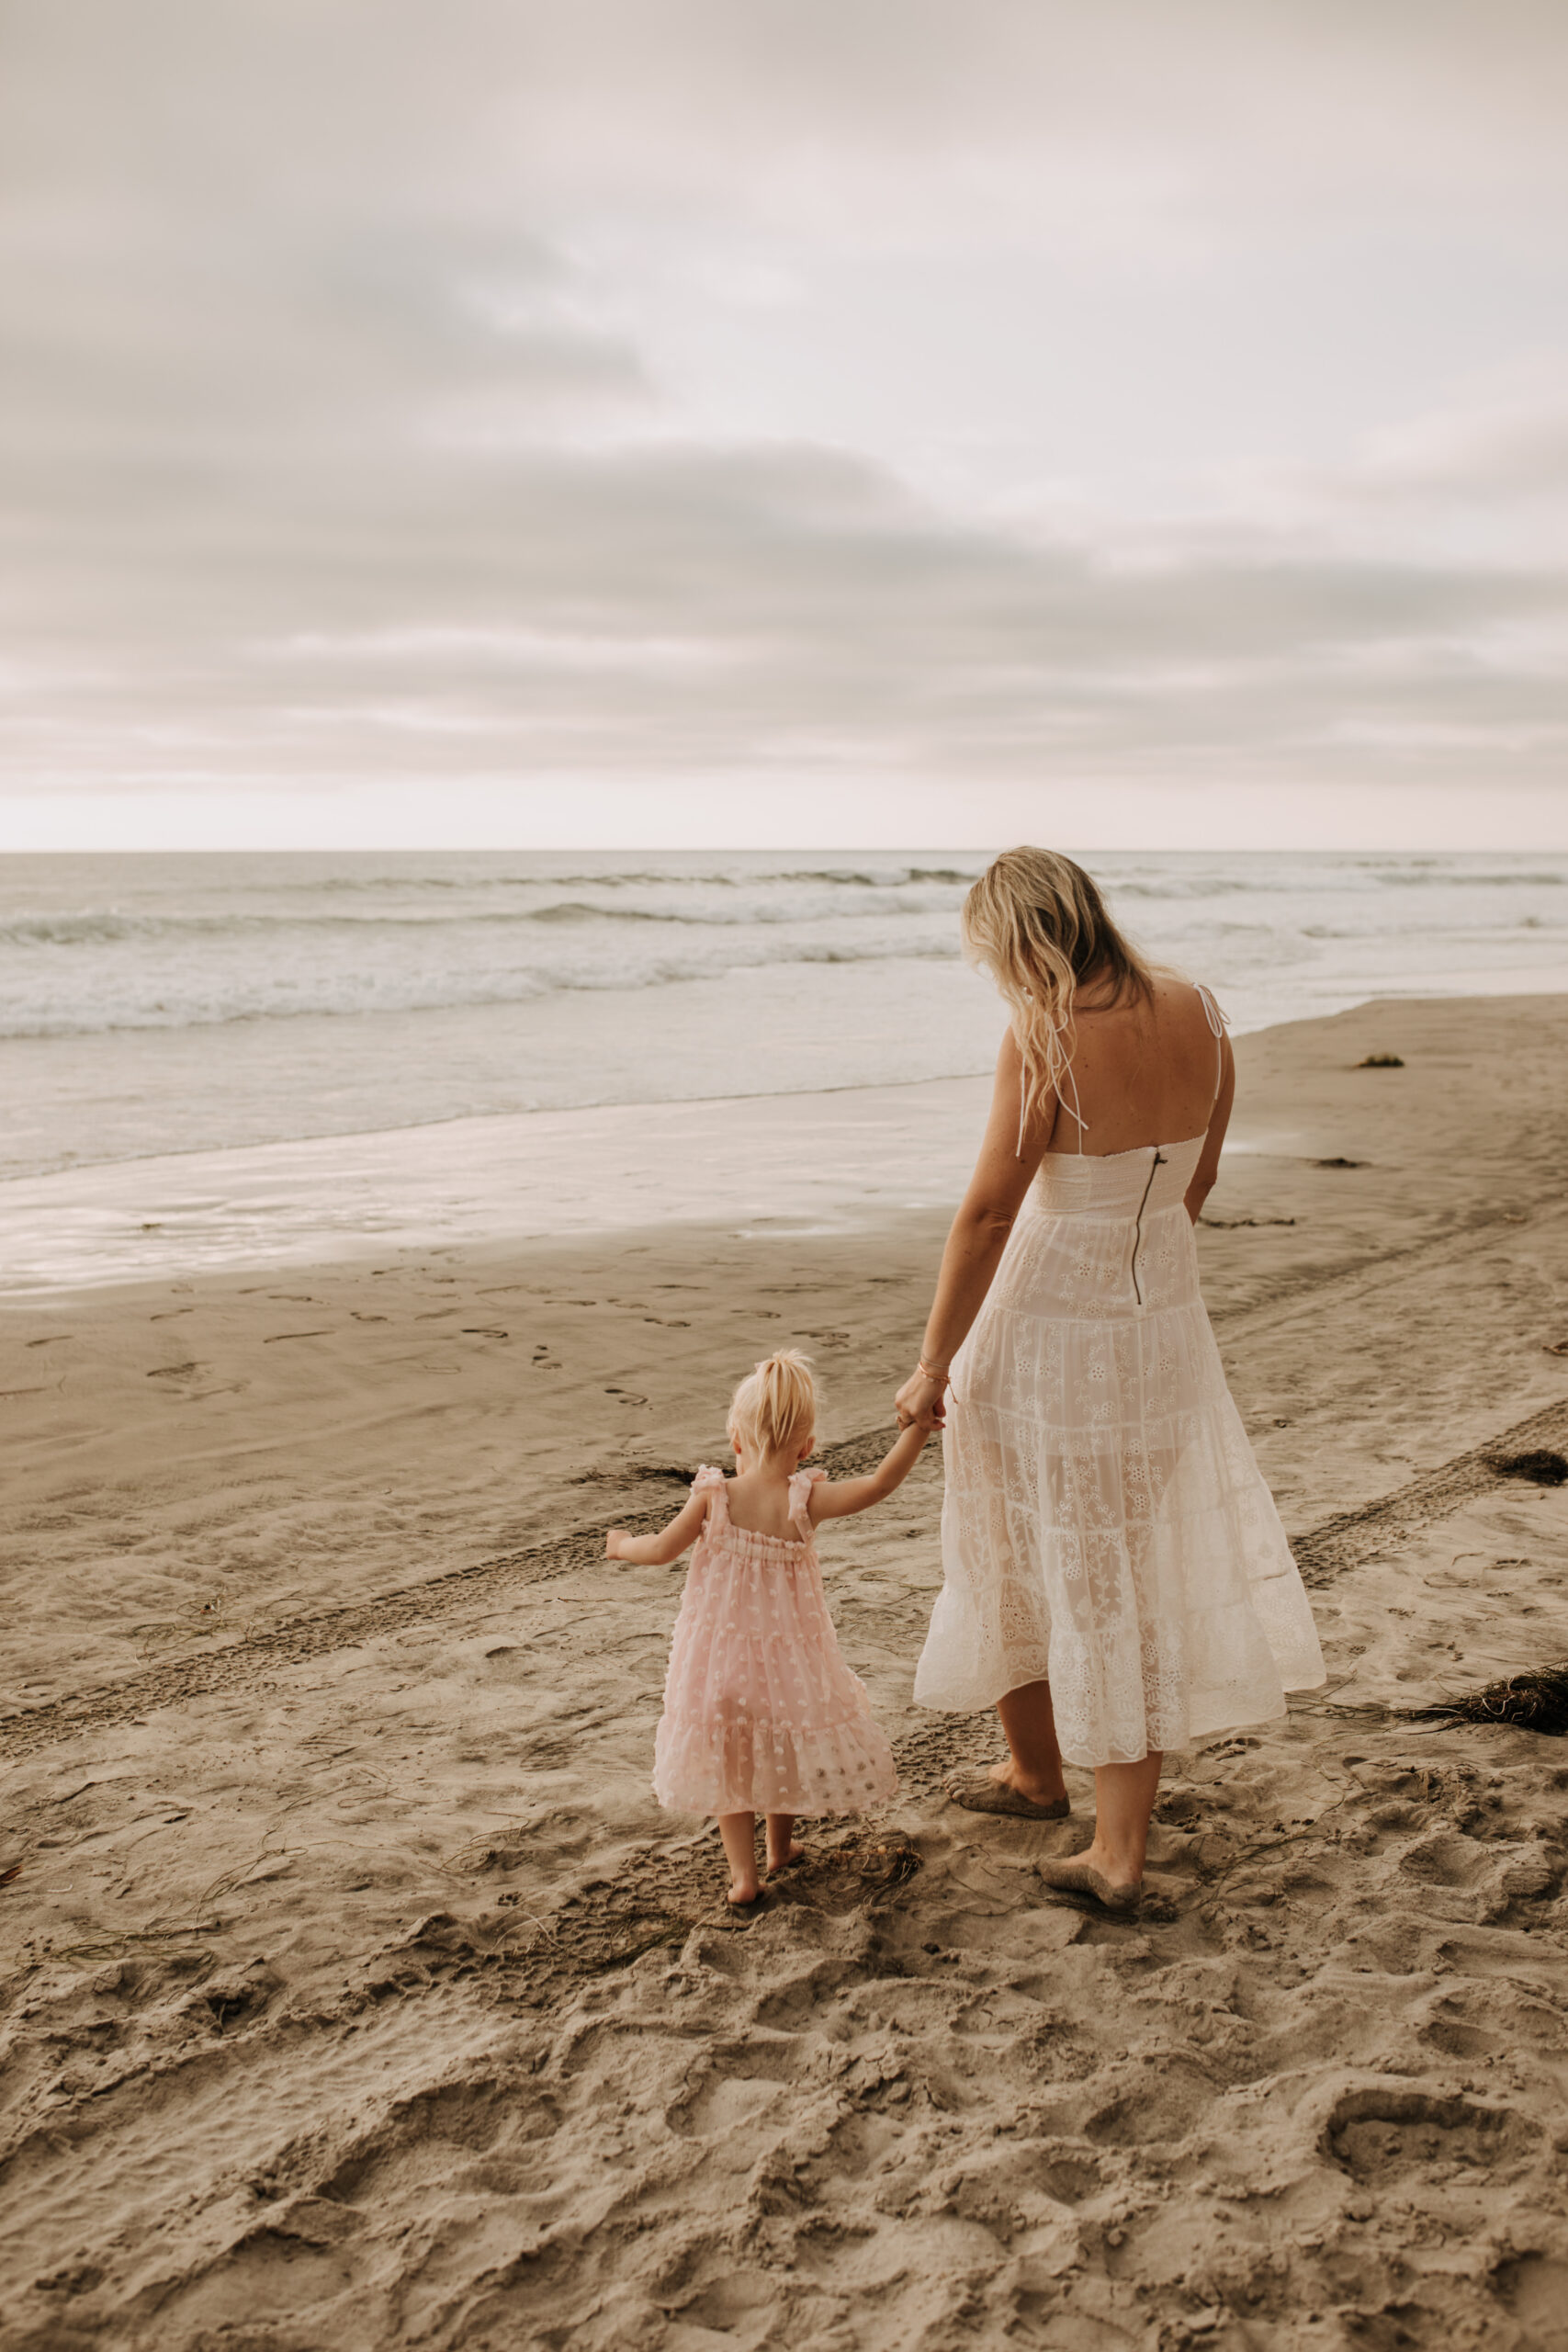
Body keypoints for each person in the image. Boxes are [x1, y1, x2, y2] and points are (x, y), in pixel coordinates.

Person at [896, 848, 1325, 1916]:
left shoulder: (1042, 1033)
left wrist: (932, 1363)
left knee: (1035, 1553)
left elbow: (991, 1211)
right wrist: (1140, 1296)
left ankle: (1115, 1851)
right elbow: (1201, 1180)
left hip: (1042, 1330)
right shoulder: (1202, 1012)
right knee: (1110, 1560)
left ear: (1020, 936)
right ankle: (1038, 1778)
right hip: (1160, 1328)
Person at [607, 1350, 925, 1907]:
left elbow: (659, 1551)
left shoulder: (714, 1497)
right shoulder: (805, 1500)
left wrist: (619, 1546)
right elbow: (878, 1485)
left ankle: (745, 1877)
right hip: (786, 1663)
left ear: (735, 1439)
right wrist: (918, 1432)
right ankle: (781, 1849)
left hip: (718, 1659)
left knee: (730, 1755)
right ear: (806, 1447)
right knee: (780, 1740)